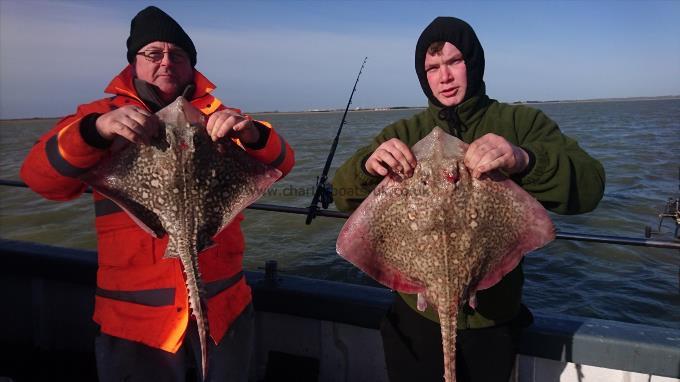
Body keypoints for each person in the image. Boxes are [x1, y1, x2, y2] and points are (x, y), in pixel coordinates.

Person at [20, 6, 294, 382]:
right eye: (153, 53)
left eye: (177, 54)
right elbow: (42, 180)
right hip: (136, 322)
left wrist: (252, 135)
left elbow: (282, 162)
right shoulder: (98, 116)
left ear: (191, 64)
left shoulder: (221, 115)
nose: (166, 61)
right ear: (134, 62)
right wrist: (94, 132)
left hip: (223, 309)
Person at [332, 16, 605, 382]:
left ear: (473, 63)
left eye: (454, 62)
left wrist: (524, 158)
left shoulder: (519, 123)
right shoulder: (403, 133)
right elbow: (342, 196)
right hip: (414, 321)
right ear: (423, 76)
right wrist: (368, 167)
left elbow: (591, 186)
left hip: (491, 325)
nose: (444, 77)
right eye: (432, 67)